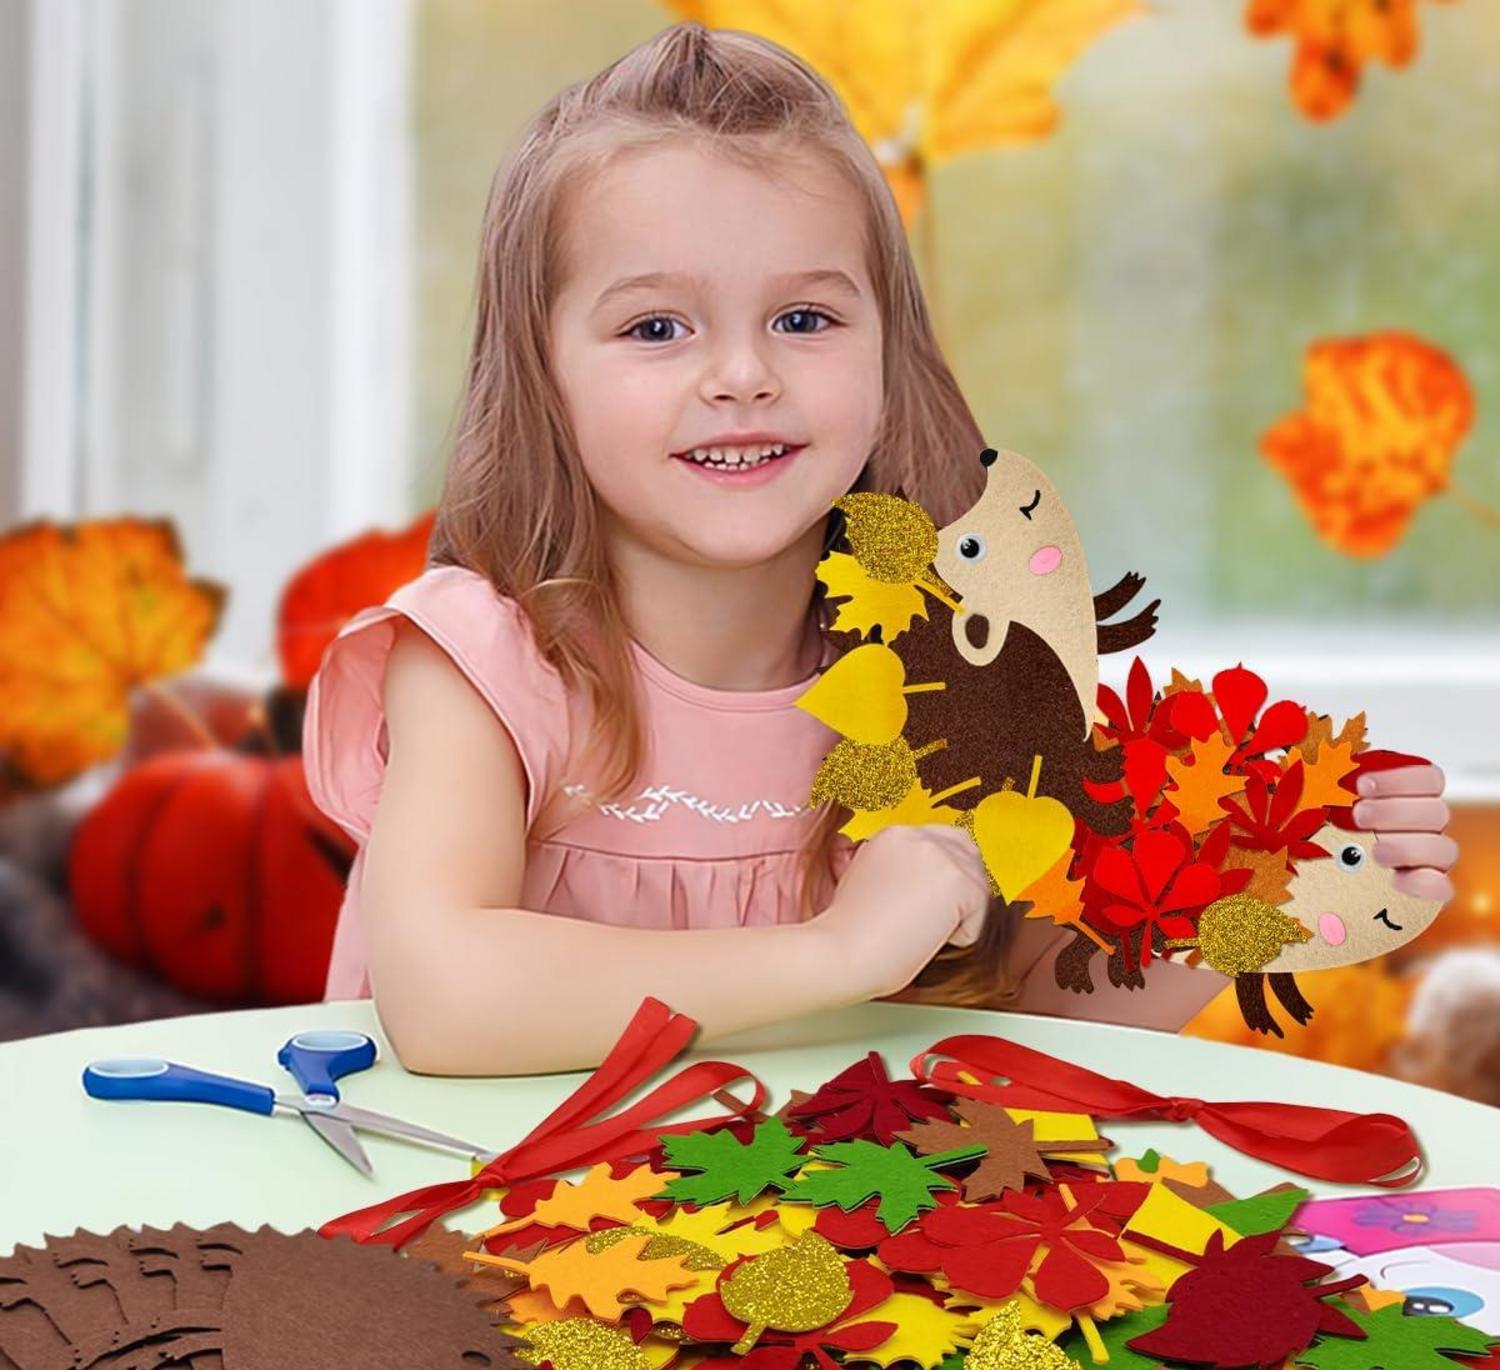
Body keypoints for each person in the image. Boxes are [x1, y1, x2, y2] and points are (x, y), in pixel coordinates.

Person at [302, 23, 1457, 1075]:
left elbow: (1009, 1031)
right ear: (541, 375)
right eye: (657, 327)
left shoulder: (950, 663)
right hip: (470, 1237)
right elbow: (442, 1002)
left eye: (806, 320)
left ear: (888, 356)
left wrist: (1243, 881)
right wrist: (840, 949)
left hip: (801, 1246)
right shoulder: (481, 663)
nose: (743, 374)